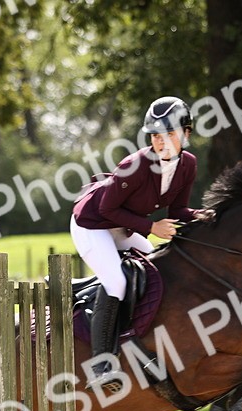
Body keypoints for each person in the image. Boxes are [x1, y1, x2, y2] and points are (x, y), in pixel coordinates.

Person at [71, 96, 203, 389]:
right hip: (92, 224)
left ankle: (139, 342)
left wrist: (209, 217)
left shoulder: (188, 165)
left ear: (186, 134)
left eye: (170, 133)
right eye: (156, 135)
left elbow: (179, 211)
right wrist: (152, 227)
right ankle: (102, 364)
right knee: (117, 283)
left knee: (157, 270)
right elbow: (106, 209)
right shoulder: (136, 164)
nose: (162, 141)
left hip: (124, 225)